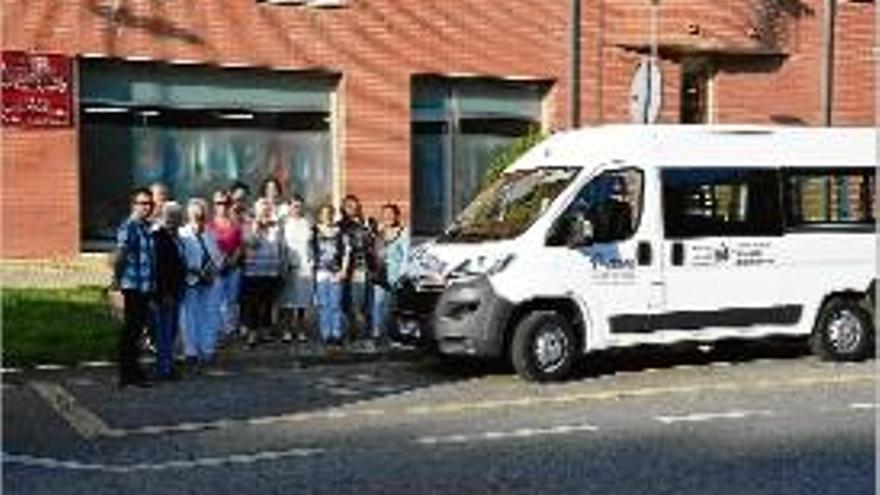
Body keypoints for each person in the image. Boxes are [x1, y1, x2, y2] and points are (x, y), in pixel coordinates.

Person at [110, 187, 156, 388]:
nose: (146, 207)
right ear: (133, 205)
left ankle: (134, 372)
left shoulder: (146, 228)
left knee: (137, 331)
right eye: (142, 203)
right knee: (130, 332)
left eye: (149, 203)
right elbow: (119, 256)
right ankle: (126, 374)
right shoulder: (128, 227)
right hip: (131, 286)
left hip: (144, 287)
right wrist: (116, 284)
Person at [178, 198, 224, 370]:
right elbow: (180, 259)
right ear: (189, 214)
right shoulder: (182, 233)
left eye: (202, 212)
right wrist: (195, 271)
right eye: (195, 212)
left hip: (210, 281)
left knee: (209, 315)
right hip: (191, 280)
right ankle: (191, 352)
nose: (199, 216)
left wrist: (213, 271)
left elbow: (217, 257)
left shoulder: (209, 234)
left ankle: (207, 350)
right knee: (190, 316)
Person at [242, 198, 285, 347]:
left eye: (267, 209)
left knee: (268, 303)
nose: (265, 211)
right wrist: (257, 227)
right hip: (254, 271)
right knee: (253, 304)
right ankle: (253, 332)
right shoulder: (249, 224)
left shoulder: (277, 226)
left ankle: (266, 331)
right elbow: (251, 243)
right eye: (262, 209)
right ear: (257, 210)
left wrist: (281, 266)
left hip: (272, 270)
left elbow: (280, 246)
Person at [151, 201, 186, 380]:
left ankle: (168, 365)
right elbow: (159, 270)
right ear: (162, 218)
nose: (173, 220)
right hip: (165, 293)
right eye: (170, 216)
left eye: (177, 216)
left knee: (171, 331)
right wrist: (164, 294)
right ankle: (163, 369)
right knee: (164, 332)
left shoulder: (177, 237)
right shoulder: (159, 238)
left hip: (177, 290)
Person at [369, 203, 410, 349]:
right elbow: (373, 254)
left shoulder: (403, 233)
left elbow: (406, 255)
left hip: (395, 276)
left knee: (393, 307)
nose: (388, 217)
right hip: (380, 275)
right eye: (385, 214)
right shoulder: (378, 233)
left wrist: (402, 274)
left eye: (391, 214)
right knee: (377, 305)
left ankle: (394, 335)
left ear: (397, 216)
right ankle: (377, 334)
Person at [310, 204, 348, 348]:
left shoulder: (340, 232)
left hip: (336, 272)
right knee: (324, 305)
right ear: (320, 215)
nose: (327, 216)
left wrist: (344, 270)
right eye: (324, 213)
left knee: (336, 305)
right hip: (320, 272)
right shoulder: (314, 231)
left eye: (330, 213)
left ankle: (336, 334)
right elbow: (310, 251)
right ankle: (326, 334)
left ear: (333, 215)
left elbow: (346, 252)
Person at [209, 190, 244, 341]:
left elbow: (240, 245)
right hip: (216, 268)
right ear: (214, 205)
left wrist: (233, 260)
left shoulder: (235, 223)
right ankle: (218, 331)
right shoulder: (209, 224)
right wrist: (218, 262)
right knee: (217, 301)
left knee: (231, 300)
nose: (222, 207)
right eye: (219, 203)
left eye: (225, 203)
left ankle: (230, 330)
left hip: (233, 267)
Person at [338, 194, 374, 344]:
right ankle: (355, 334)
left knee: (365, 303)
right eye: (349, 206)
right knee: (351, 303)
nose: (353, 209)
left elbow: (373, 245)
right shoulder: (341, 226)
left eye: (356, 206)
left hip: (366, 269)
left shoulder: (368, 224)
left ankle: (364, 334)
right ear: (344, 209)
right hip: (350, 270)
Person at [279, 195, 314, 343]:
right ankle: (287, 330)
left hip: (304, 266)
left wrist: (312, 263)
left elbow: (311, 245)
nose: (297, 209)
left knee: (302, 301)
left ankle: (301, 329)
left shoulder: (308, 223)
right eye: (294, 206)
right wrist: (282, 264)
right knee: (287, 301)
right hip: (288, 265)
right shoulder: (284, 224)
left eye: (299, 206)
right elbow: (280, 246)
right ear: (289, 207)